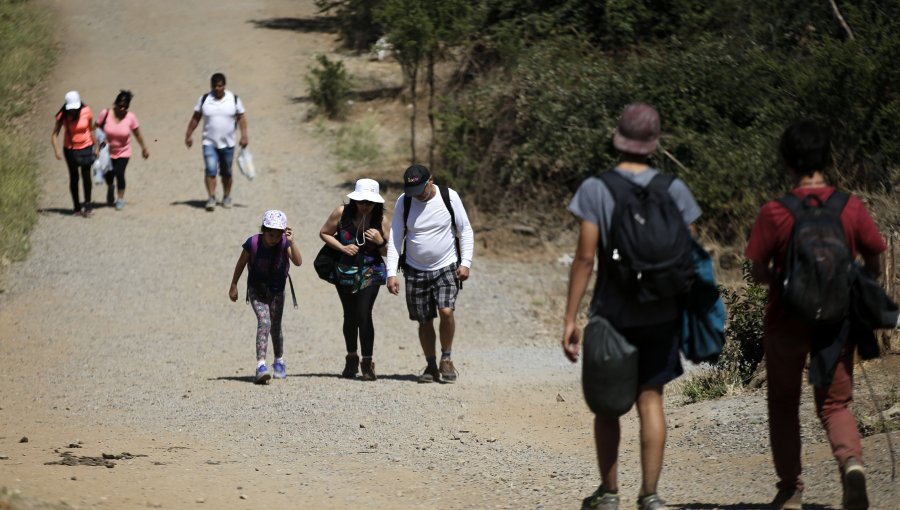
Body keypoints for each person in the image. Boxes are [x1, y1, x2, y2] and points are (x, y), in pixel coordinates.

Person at [562, 103, 701, 510]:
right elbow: (688, 252)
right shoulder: (674, 188)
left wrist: (571, 316)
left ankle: (608, 493)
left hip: (613, 314)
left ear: (618, 138)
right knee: (651, 398)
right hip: (661, 310)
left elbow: (586, 258)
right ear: (655, 143)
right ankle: (650, 495)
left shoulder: (596, 188)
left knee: (608, 407)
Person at [745, 120, 886, 510]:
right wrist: (854, 285)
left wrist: (782, 278)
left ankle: (791, 489)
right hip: (836, 322)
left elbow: (757, 272)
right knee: (834, 405)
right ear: (827, 158)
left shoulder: (775, 211)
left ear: (787, 160)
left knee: (784, 402)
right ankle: (851, 464)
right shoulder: (850, 206)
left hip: (785, 320)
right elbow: (875, 256)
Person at [385, 164, 474, 383]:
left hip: (446, 266)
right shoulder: (404, 202)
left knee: (446, 311)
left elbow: (465, 230)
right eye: (412, 192)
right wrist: (391, 273)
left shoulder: (448, 197)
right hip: (415, 269)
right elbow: (396, 238)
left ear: (430, 181)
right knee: (424, 320)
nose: (417, 197)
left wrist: (466, 263)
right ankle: (431, 364)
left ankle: (447, 357)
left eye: (420, 191)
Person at [318, 178, 389, 381]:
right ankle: (351, 357)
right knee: (350, 315)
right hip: (345, 271)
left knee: (364, 314)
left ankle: (367, 362)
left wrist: (380, 241)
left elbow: (388, 251)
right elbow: (324, 233)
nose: (365, 206)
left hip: (371, 271)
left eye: (369, 202)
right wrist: (342, 247)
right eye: (361, 201)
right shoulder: (342, 213)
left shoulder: (381, 220)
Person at [229, 210, 302, 384]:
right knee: (265, 322)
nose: (274, 239)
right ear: (264, 230)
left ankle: (279, 361)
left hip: (277, 291)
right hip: (257, 290)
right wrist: (234, 285)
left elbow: (298, 262)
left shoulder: (285, 243)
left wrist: (292, 242)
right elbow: (240, 263)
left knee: (276, 327)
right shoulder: (253, 243)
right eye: (270, 234)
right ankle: (261, 366)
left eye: (278, 235)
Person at [184, 72, 248, 211]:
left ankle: (226, 196)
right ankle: (211, 197)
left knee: (226, 173)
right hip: (209, 143)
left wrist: (244, 135)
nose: (217, 89)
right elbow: (196, 118)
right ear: (211, 86)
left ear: (224, 85)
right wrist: (189, 134)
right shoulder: (204, 99)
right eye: (214, 86)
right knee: (210, 170)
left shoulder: (234, 99)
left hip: (228, 144)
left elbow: (241, 118)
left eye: (220, 86)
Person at [96, 90, 150, 210]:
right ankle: (110, 187)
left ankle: (120, 199)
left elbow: (137, 134)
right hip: (107, 151)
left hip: (124, 151)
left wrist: (144, 148)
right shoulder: (105, 114)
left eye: (126, 107)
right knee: (109, 174)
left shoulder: (130, 117)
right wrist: (97, 146)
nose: (122, 109)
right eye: (120, 106)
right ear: (115, 104)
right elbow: (95, 129)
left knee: (119, 173)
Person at [51, 90, 98, 217]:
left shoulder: (87, 111)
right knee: (74, 177)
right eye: (70, 108)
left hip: (87, 147)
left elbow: (91, 129)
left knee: (86, 175)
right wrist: (56, 150)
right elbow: (55, 134)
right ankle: (76, 207)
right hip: (70, 149)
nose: (72, 111)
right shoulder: (63, 115)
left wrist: (97, 146)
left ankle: (88, 205)